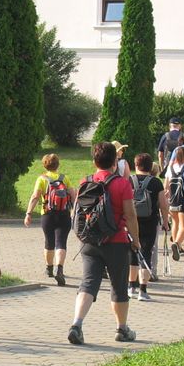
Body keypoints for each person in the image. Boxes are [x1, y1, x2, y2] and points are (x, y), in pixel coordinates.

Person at [66, 142, 140, 345]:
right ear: (115, 161)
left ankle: (77, 324)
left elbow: (77, 212)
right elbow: (130, 215)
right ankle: (122, 329)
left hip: (89, 241)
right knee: (119, 286)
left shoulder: (85, 181)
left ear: (94, 161)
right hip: (116, 241)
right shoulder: (122, 184)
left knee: (88, 283)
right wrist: (136, 240)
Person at [25, 153, 76, 287]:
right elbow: (73, 195)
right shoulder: (65, 178)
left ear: (44, 165)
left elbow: (35, 196)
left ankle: (49, 268)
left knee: (49, 242)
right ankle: (60, 269)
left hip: (48, 215)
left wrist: (28, 213)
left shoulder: (42, 179)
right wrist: (74, 211)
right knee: (61, 242)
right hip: (64, 214)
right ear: (58, 165)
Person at [126, 153, 168, 301]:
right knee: (146, 253)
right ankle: (143, 290)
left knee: (132, 254)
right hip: (150, 222)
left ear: (136, 165)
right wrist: (165, 221)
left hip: (131, 222)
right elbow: (163, 204)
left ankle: (131, 287)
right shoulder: (156, 182)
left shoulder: (129, 180)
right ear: (151, 167)